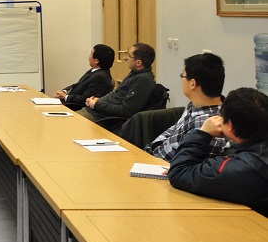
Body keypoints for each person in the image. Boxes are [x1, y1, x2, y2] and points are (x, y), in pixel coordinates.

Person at [168, 87, 268, 216]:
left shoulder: (243, 168)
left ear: (230, 126)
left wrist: (203, 133)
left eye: (222, 116)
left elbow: (180, 172)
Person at [145, 52, 225, 161]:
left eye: (182, 76)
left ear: (192, 83)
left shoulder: (207, 125)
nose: (182, 80)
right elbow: (173, 131)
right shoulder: (195, 105)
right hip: (153, 157)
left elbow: (180, 161)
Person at [78, 43, 156, 122]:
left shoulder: (143, 80)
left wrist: (97, 105)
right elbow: (116, 96)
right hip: (96, 111)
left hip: (102, 117)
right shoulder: (135, 73)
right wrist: (99, 100)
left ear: (138, 63)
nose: (125, 58)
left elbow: (125, 110)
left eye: (129, 56)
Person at [54, 44, 115, 110]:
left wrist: (66, 97)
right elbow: (77, 85)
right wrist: (64, 91)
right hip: (70, 101)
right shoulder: (95, 71)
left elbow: (85, 99)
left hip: (76, 107)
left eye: (91, 54)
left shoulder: (100, 78)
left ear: (96, 61)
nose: (89, 56)